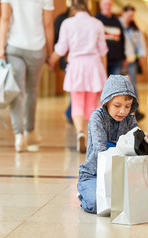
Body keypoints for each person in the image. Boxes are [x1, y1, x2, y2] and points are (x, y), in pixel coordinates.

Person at [49, 0, 108, 154]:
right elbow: (103, 51)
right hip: (94, 66)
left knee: (77, 103)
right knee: (93, 105)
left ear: (73, 8)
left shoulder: (68, 23)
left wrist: (51, 61)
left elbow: (61, 48)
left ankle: (80, 133)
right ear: (86, 8)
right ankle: (91, 137)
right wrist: (105, 72)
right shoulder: (97, 23)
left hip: (76, 66)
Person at [0, 0, 54, 152]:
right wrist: (49, 52)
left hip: (14, 46)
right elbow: (48, 24)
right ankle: (30, 132)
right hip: (36, 48)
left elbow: (4, 19)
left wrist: (0, 48)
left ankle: (19, 136)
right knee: (31, 91)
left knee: (17, 92)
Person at [77, 75, 139, 214]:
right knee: (97, 205)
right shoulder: (97, 117)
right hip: (94, 175)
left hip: (120, 176)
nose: (123, 111)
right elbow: (101, 151)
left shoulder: (130, 119)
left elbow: (137, 146)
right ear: (106, 102)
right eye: (117, 106)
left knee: (133, 203)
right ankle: (84, 191)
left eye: (127, 106)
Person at [119, 4, 147, 121]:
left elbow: (141, 47)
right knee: (118, 87)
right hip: (118, 61)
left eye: (132, 15)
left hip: (131, 62)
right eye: (129, 15)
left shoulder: (135, 30)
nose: (131, 18)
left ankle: (135, 110)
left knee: (132, 86)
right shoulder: (117, 25)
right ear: (123, 13)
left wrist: (142, 61)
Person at [96, 0, 126, 75]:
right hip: (100, 60)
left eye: (109, 4)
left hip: (116, 61)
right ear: (100, 5)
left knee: (115, 85)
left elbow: (122, 41)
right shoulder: (96, 20)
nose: (107, 6)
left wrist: (124, 57)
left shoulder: (117, 22)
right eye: (105, 4)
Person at [54, 7, 72, 124]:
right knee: (73, 88)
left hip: (65, 57)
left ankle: (70, 112)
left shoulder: (61, 19)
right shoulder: (63, 20)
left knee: (73, 88)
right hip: (67, 58)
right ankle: (71, 113)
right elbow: (57, 39)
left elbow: (56, 39)